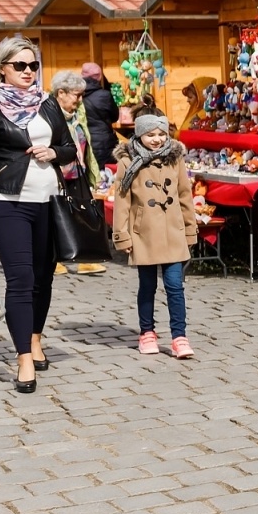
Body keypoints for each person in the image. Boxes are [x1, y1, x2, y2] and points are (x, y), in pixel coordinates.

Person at [0, 38, 76, 394]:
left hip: (50, 202)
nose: (28, 72)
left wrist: (53, 151)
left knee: (44, 277)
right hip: (6, 203)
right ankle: (24, 356)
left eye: (33, 65)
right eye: (20, 66)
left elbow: (71, 149)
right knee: (22, 278)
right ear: (3, 69)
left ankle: (35, 337)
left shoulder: (49, 105)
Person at [111, 113, 197, 358]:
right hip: (143, 232)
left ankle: (179, 337)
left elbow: (184, 194)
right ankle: (146, 332)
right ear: (140, 135)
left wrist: (190, 229)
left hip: (173, 231)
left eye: (161, 134)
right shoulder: (128, 161)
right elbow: (122, 200)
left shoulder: (175, 158)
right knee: (147, 286)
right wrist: (122, 234)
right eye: (151, 135)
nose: (157, 139)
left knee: (174, 286)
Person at [51, 70, 107, 275]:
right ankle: (54, 259)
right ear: (62, 93)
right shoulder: (49, 114)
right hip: (57, 173)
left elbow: (87, 143)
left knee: (85, 213)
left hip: (77, 171)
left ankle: (87, 259)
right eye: (77, 94)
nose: (80, 99)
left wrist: (91, 170)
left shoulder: (77, 115)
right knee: (57, 216)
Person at [81, 63, 120, 167]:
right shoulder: (105, 95)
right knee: (106, 176)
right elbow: (115, 117)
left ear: (82, 75)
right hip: (104, 143)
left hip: (82, 141)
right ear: (99, 76)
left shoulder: (76, 94)